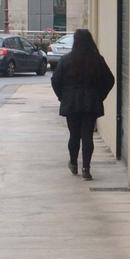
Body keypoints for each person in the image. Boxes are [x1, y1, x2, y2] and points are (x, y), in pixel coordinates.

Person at [50, 29, 115, 180]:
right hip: (91, 103)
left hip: (71, 103)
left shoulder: (66, 60)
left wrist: (62, 97)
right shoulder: (97, 60)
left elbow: (55, 81)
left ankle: (73, 163)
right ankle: (86, 168)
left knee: (74, 135)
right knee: (87, 136)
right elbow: (110, 80)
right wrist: (99, 96)